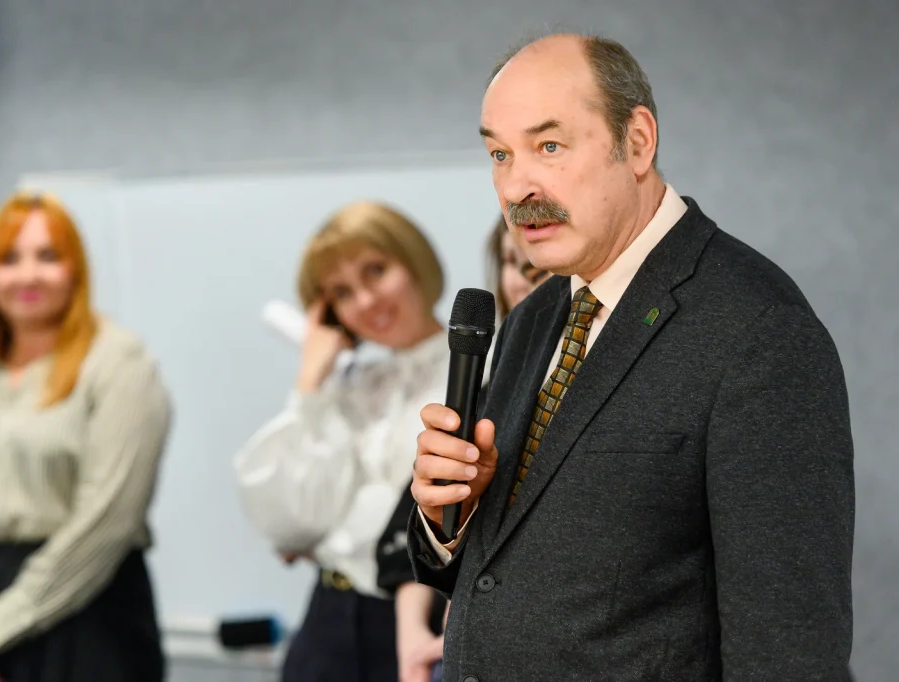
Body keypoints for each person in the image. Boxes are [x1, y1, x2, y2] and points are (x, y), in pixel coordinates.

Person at [408, 33, 855, 681]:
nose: (517, 186)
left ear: (638, 142)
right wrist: (450, 514)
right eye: (500, 154)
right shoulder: (534, 318)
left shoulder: (758, 330)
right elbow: (501, 578)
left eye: (549, 146)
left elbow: (788, 649)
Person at [0, 191, 172, 682]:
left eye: (47, 257)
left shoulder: (120, 366)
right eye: (9, 259)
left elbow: (107, 523)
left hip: (86, 623)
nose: (27, 276)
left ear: (75, 270)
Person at [234, 201, 450, 682]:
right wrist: (311, 377)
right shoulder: (353, 387)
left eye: (376, 271)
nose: (366, 301)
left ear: (414, 260)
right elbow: (289, 520)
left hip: (416, 620)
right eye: (342, 293)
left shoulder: (482, 370)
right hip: (327, 618)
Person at [375, 213, 554, 682]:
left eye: (538, 264)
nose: (525, 276)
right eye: (514, 262)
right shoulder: (491, 387)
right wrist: (413, 634)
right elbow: (413, 520)